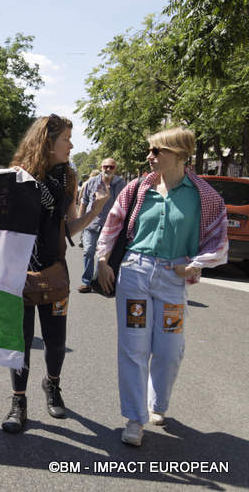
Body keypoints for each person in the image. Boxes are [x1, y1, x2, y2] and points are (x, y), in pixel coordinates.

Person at [95, 127, 227, 447]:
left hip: (173, 279)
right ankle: (134, 418)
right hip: (135, 274)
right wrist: (101, 260)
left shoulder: (204, 196)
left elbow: (218, 242)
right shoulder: (138, 188)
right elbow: (113, 223)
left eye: (157, 151)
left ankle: (158, 403)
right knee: (134, 348)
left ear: (180, 155)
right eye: (150, 150)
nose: (149, 156)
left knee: (169, 351)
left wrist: (195, 264)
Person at [2, 114, 110, 434]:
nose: (71, 145)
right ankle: (18, 402)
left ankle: (52, 385)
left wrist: (95, 211)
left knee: (56, 342)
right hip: (18, 273)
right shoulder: (16, 177)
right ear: (47, 142)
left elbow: (68, 228)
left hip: (55, 273)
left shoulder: (68, 179)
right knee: (19, 342)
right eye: (66, 139)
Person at [77, 158, 125, 292]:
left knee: (103, 256)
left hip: (110, 228)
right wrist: (80, 222)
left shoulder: (121, 184)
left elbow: (125, 205)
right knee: (88, 252)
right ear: (101, 167)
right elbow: (84, 202)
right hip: (91, 225)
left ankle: (98, 282)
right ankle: (86, 282)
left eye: (111, 167)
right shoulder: (91, 183)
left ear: (115, 169)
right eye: (105, 167)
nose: (108, 169)